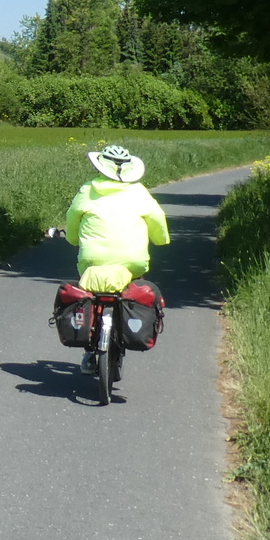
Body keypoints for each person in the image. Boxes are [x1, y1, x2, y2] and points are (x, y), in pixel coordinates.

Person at [62, 145, 169, 374]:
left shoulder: (87, 190)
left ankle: (90, 349)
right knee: (132, 285)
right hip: (132, 261)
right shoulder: (139, 192)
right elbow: (157, 217)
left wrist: (72, 239)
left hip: (93, 259)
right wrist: (161, 240)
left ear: (100, 166)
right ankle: (126, 325)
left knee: (90, 290)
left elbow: (72, 217)